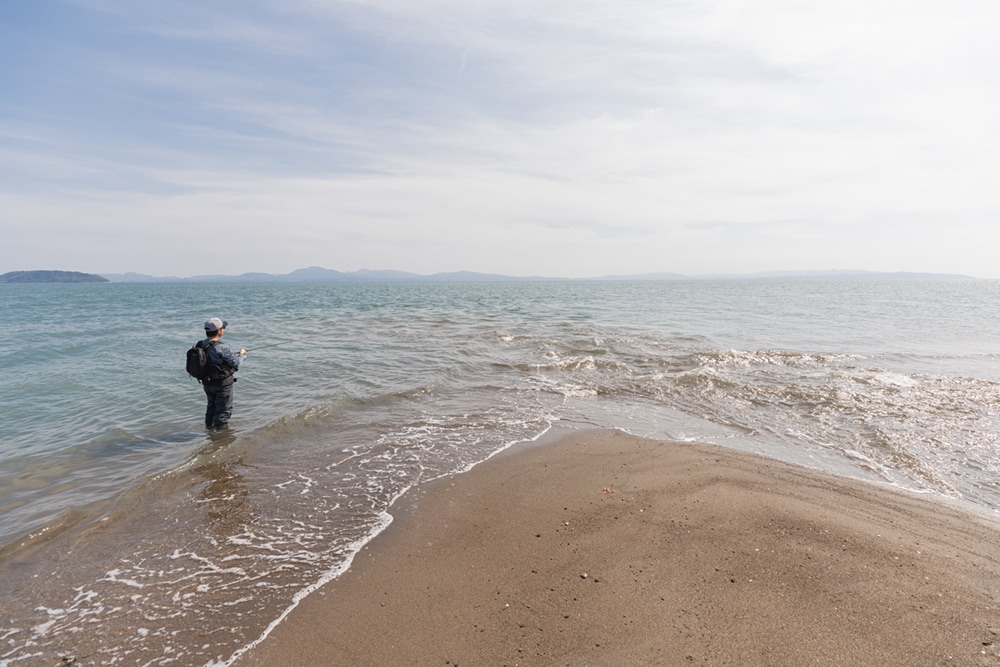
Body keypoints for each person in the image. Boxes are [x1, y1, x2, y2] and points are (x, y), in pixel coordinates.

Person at [200, 317, 246, 430]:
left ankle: (209, 432)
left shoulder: (200, 345)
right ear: (219, 331)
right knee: (223, 411)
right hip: (222, 384)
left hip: (207, 383)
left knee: (211, 408)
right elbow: (235, 363)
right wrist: (242, 354)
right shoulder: (222, 347)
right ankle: (222, 437)